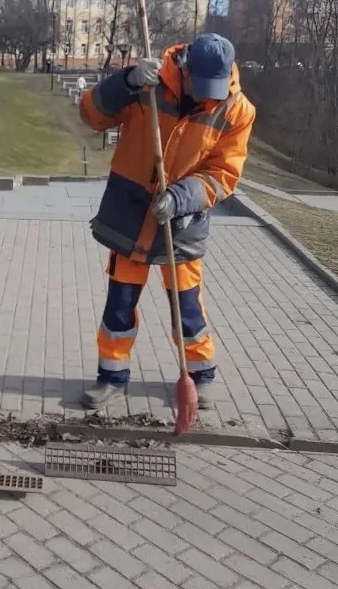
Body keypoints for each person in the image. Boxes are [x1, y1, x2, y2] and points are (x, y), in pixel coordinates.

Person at [79, 33, 256, 411]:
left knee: (187, 306)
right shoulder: (149, 84)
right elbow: (91, 115)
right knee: (119, 304)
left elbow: (224, 174)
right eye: (201, 86)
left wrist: (180, 197)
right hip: (130, 218)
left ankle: (200, 375)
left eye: (216, 88)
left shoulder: (236, 110)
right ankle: (111, 377)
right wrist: (126, 82)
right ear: (186, 69)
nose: (208, 97)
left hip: (182, 224)